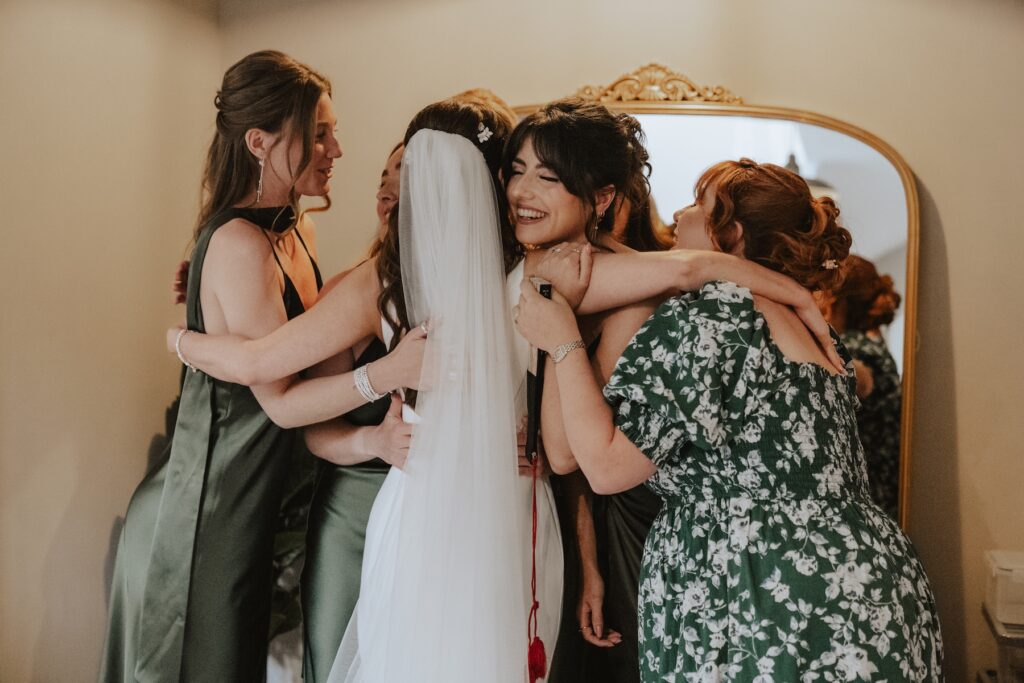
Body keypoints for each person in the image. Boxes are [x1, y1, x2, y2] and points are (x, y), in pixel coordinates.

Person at [514, 158, 943, 681]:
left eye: (697, 204)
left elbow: (605, 468)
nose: (677, 213)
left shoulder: (711, 319)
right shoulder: (814, 329)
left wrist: (561, 339)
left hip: (756, 589)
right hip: (869, 583)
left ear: (731, 232)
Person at [98, 50, 424, 683]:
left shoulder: (292, 233)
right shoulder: (240, 244)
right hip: (204, 508)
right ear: (259, 142)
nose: (336, 149)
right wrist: (384, 376)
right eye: (320, 133)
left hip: (251, 505)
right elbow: (279, 401)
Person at [821, 254, 903, 518]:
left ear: (830, 298)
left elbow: (862, 378)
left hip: (871, 499)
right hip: (882, 495)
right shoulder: (872, 346)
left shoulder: (855, 349)